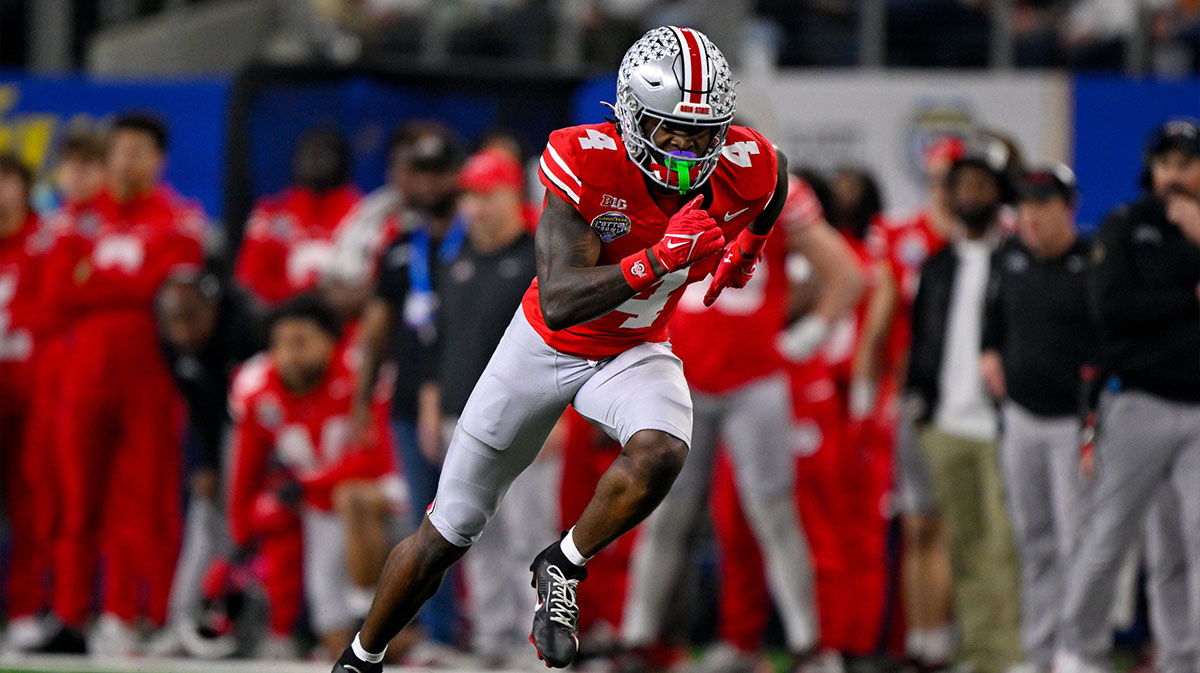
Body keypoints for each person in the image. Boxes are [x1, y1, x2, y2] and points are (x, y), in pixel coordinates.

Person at [333, 25, 790, 673]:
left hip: (633, 347)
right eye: (671, 131)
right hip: (544, 345)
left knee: (663, 449)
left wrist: (747, 251)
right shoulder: (584, 158)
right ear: (632, 118)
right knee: (448, 532)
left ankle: (564, 562)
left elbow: (775, 176)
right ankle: (360, 656)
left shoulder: (745, 163)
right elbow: (560, 299)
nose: (689, 150)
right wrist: (660, 257)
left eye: (702, 133)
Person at [620, 169, 862, 673]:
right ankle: (637, 641)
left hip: (751, 381)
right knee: (664, 512)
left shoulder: (775, 189)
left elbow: (847, 274)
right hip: (681, 375)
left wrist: (806, 335)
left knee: (772, 514)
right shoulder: (662, 179)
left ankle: (808, 646)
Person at [41, 112, 206, 654]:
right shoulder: (74, 220)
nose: (129, 160)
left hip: (150, 380)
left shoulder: (179, 219)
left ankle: (137, 614)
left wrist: (103, 281)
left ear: (159, 160)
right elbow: (57, 294)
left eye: (141, 151)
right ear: (109, 157)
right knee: (77, 501)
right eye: (122, 150)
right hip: (84, 379)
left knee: (144, 503)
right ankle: (70, 618)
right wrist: (132, 284)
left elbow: (174, 293)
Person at [1056, 118, 1200, 673]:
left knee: (1185, 546)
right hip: (1136, 402)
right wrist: (1189, 299)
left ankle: (1183, 659)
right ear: (1151, 171)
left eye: (1187, 164)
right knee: (1109, 536)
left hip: (1196, 407)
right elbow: (1113, 311)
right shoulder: (1124, 226)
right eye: (1167, 164)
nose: (1176, 175)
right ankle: (1078, 652)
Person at [904, 133, 1022, 673]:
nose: (971, 193)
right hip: (945, 424)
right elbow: (922, 339)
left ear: (1000, 192)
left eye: (982, 183)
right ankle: (975, 652)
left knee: (1005, 548)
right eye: (963, 183)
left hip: (1002, 426)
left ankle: (1009, 655)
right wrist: (918, 399)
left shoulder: (1017, 262)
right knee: (963, 547)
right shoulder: (938, 265)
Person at [228, 295, 401, 659]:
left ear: (330, 342)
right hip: (319, 504)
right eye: (281, 344)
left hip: (384, 493)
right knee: (331, 628)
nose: (290, 355)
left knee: (349, 498)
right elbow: (246, 469)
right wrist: (243, 529)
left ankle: (370, 616)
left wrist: (304, 486)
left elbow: (371, 460)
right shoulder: (258, 386)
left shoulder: (357, 375)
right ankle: (291, 630)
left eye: (301, 342)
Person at [427, 148, 547, 667]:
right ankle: (493, 638)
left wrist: (560, 414)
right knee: (471, 533)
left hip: (526, 418)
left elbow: (563, 343)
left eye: (488, 195)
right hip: (463, 415)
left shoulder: (537, 258)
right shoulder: (456, 260)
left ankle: (534, 639)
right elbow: (445, 340)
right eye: (470, 196)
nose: (477, 207)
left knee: (530, 532)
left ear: (513, 196)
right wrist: (434, 401)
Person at [351, 123, 465, 645]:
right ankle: (440, 635)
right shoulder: (400, 245)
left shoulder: (481, 241)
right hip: (406, 402)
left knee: (477, 517)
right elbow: (376, 332)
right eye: (418, 173)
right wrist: (359, 401)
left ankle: (493, 630)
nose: (426, 186)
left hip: (471, 399)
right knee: (431, 523)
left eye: (437, 173)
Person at [978, 164, 1094, 673]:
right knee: (1034, 542)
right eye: (1023, 207)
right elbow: (993, 319)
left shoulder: (1094, 262)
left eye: (1042, 207)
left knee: (1078, 544)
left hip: (1074, 422)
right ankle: (1040, 651)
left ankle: (1078, 649)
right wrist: (988, 352)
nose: (1030, 218)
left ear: (1066, 209)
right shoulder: (1010, 257)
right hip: (1021, 419)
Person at [858, 136, 960, 672]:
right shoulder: (899, 234)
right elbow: (879, 316)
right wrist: (864, 386)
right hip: (912, 396)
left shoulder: (981, 236)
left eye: (951, 176)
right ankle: (920, 641)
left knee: (949, 526)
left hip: (963, 401)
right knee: (918, 526)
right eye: (936, 176)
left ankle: (941, 639)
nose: (942, 187)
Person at [151, 269, 265, 655]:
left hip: (268, 433)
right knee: (204, 513)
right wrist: (204, 463)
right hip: (221, 428)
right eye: (173, 322)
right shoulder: (174, 343)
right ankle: (183, 620)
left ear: (212, 309)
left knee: (245, 527)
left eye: (189, 318)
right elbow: (198, 405)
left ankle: (263, 627)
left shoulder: (247, 330)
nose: (181, 332)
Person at [0, 153, 51, 652]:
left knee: (30, 506)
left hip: (32, 394)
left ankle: (25, 608)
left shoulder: (47, 242)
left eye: (6, 182)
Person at [236, 128, 361, 306]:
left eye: (324, 155)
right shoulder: (270, 213)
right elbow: (249, 281)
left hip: (343, 320)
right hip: (279, 317)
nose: (314, 162)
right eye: (309, 154)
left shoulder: (364, 215)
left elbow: (368, 285)